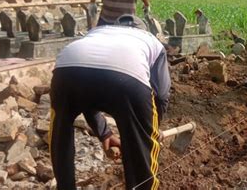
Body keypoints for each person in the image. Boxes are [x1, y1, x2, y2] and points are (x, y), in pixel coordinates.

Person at [49, 14, 170, 190]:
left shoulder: (97, 32)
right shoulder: (152, 41)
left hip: (66, 73)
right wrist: (150, 131)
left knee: (60, 135)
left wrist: (104, 133)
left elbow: (87, 93)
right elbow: (161, 95)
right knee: (142, 159)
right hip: (126, 80)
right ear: (142, 30)